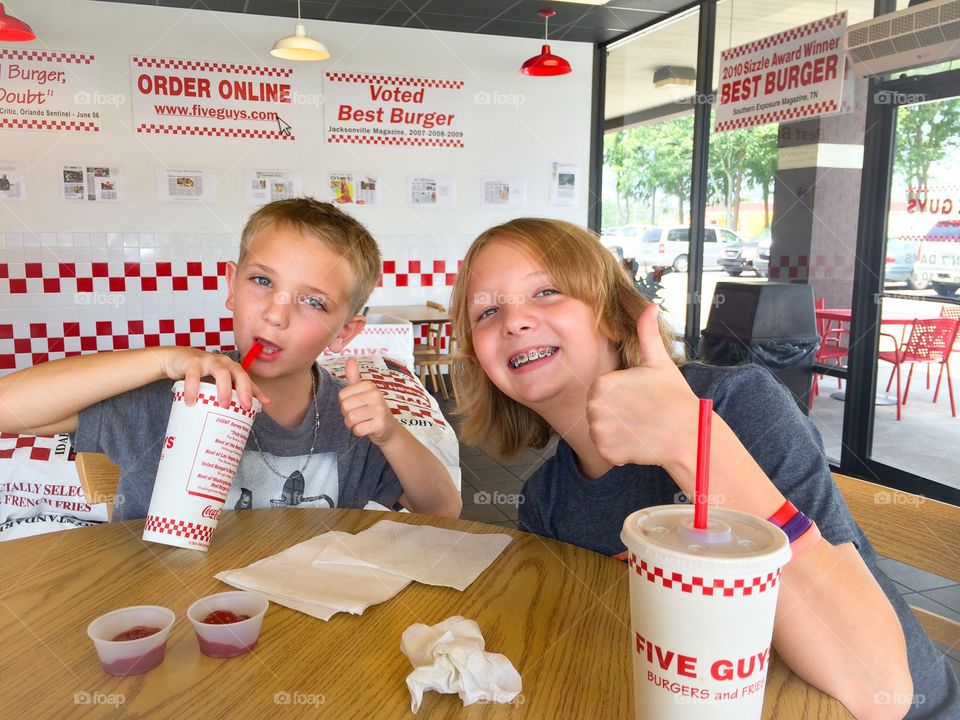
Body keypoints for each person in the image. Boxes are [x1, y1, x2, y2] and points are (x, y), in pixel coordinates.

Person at [449, 218, 957, 720]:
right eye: (487, 310)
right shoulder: (546, 499)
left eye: (545, 292)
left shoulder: (732, 405)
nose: (513, 321)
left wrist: (692, 445)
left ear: (611, 313)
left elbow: (877, 689)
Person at [0, 198, 461, 520]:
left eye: (314, 302)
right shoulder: (174, 397)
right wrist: (162, 361)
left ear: (344, 332)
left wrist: (390, 434)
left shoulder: (350, 422)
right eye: (262, 282)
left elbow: (442, 510)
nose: (276, 314)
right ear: (231, 286)